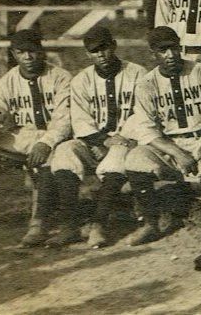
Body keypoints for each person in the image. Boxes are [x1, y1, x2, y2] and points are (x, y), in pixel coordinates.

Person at [124, 26, 201, 246]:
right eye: (163, 51)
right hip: (169, 145)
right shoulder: (146, 84)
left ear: (180, 48)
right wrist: (177, 153)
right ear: (153, 54)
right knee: (136, 158)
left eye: (173, 49)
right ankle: (151, 223)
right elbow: (146, 129)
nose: (170, 55)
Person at [0, 30, 71, 245]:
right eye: (20, 52)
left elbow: (65, 119)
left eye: (32, 51)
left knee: (52, 158)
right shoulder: (7, 81)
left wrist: (46, 142)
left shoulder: (61, 77)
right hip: (22, 135)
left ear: (41, 51)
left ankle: (39, 224)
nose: (27, 57)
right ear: (13, 54)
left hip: (56, 136)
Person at [48, 26, 147, 248]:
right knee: (64, 152)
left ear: (113, 46)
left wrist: (120, 139)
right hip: (94, 140)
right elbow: (81, 119)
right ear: (88, 54)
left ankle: (98, 225)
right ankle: (69, 226)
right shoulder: (81, 80)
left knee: (116, 159)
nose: (100, 55)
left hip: (127, 140)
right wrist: (100, 140)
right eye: (94, 51)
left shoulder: (138, 73)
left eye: (104, 48)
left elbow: (144, 113)